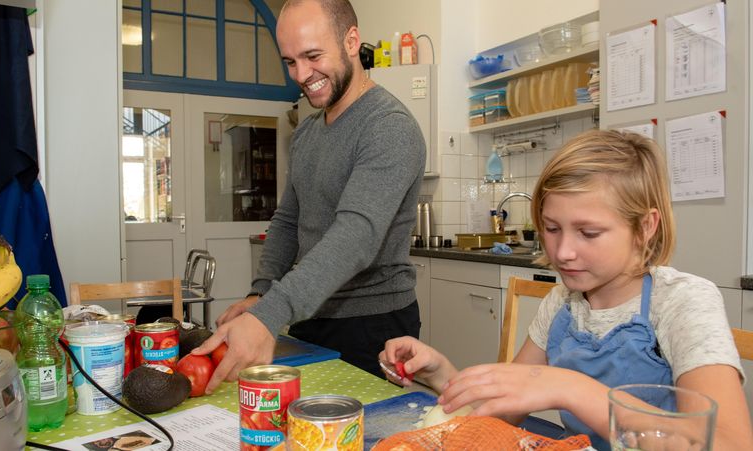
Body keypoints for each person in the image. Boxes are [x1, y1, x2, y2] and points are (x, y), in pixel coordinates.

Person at [380, 130, 753, 450]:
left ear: (645, 227)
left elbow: (729, 444)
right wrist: (442, 374)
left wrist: (573, 389)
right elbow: (508, 405)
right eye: (552, 228)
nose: (562, 252)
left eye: (588, 233)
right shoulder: (563, 302)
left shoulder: (681, 302)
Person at [194, 0, 426, 391]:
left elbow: (355, 239)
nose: (302, 75)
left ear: (351, 40)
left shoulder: (388, 127)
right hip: (309, 314)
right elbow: (288, 220)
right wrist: (262, 292)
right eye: (290, 62)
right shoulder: (308, 131)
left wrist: (271, 313)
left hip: (371, 326)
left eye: (313, 56)